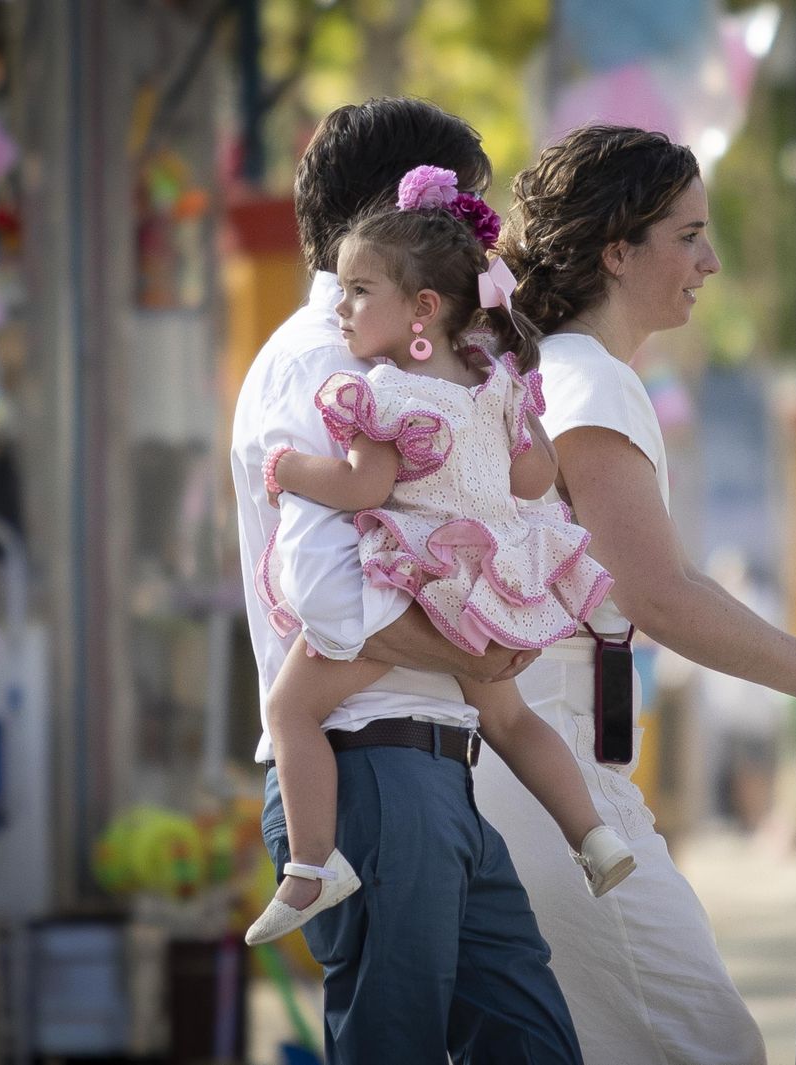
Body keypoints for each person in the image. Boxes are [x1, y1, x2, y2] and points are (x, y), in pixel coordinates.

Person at [473, 124, 796, 1065]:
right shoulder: (589, 382)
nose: (710, 261)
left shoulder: (552, 375)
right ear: (616, 249)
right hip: (554, 779)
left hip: (536, 772)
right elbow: (661, 593)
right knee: (710, 1046)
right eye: (686, 235)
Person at [229, 99, 581, 1065]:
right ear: (399, 226)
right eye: (462, 212)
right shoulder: (327, 365)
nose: (480, 244)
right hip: (370, 765)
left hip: (428, 768)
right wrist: (486, 650)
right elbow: (330, 598)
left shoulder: (410, 365)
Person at [243, 165, 636, 948]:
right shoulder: (493, 380)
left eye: (358, 291)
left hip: (426, 583)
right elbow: (533, 478)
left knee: (291, 708)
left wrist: (286, 470)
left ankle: (314, 865)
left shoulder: (382, 393)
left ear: (423, 309)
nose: (342, 308)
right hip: (498, 578)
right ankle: (595, 833)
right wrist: (521, 423)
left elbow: (364, 487)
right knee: (511, 717)